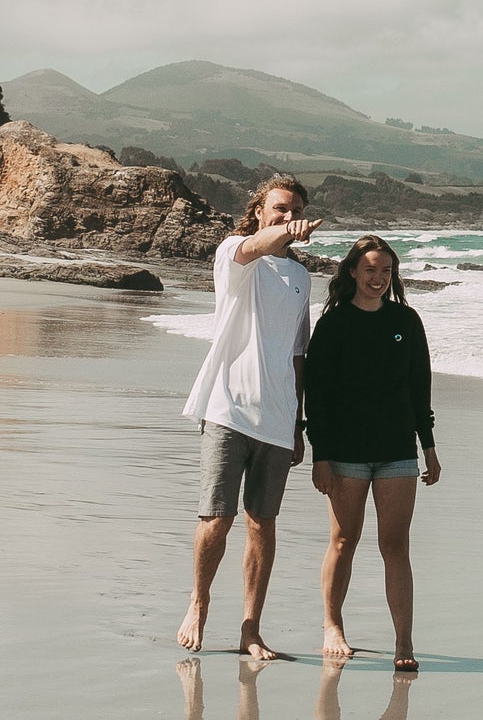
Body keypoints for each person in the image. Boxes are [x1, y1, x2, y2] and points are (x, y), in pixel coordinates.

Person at [178, 175, 321, 661]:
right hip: (228, 409)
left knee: (263, 525)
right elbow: (259, 246)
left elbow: (298, 354)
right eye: (279, 208)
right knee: (216, 520)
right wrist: (282, 233)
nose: (287, 216)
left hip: (279, 419)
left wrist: (299, 424)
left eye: (295, 210)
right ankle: (199, 602)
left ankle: (250, 629)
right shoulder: (235, 253)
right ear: (259, 210)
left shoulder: (302, 278)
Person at [300, 235, 441, 671]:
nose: (378, 278)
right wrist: (319, 453)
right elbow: (317, 393)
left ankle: (404, 642)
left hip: (398, 450)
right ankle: (332, 625)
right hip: (345, 452)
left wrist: (429, 447)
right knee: (344, 540)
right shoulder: (334, 324)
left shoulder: (407, 320)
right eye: (370, 270)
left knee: (395, 545)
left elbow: (420, 388)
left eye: (385, 272)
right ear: (352, 273)